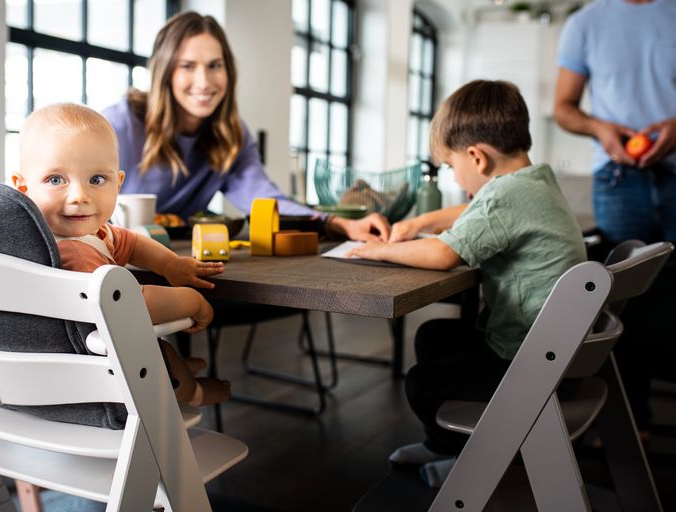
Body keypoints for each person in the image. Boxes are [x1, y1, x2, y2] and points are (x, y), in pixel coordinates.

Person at [347, 80, 587, 487]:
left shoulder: (504, 197)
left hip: (530, 365)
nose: (455, 177)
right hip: (557, 353)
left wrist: (374, 251)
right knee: (435, 336)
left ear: (477, 157)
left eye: (451, 166)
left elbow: (443, 255)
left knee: (421, 383)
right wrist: (420, 222)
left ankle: (469, 463)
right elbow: (477, 208)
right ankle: (444, 444)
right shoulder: (534, 181)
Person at [101, 10, 389, 242]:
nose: (204, 81)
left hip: (178, 263)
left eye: (215, 65)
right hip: (111, 259)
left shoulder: (230, 135)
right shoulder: (119, 124)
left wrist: (340, 224)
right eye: (187, 66)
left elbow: (265, 200)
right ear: (165, 73)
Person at [12, 102, 230, 407]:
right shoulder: (75, 253)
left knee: (155, 351)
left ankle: (178, 372)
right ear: (22, 188)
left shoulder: (90, 233)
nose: (79, 196)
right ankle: (192, 391)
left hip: (94, 351)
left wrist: (170, 264)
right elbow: (128, 305)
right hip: (91, 370)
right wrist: (191, 301)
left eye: (97, 179)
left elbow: (130, 241)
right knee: (158, 354)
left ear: (119, 183)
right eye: (56, 180)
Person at [553, 0, 676, 436]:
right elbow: (565, 106)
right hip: (619, 178)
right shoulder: (586, 22)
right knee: (624, 297)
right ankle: (631, 420)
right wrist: (601, 128)